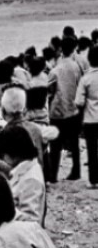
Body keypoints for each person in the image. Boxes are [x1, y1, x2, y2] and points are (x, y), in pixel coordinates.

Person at [0, 124, 46, 225]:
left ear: (9, 154)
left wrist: (3, 208)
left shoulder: (31, 180)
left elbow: (31, 220)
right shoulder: (26, 168)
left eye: (3, 156)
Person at [47, 35, 82, 182]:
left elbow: (49, 91)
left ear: (61, 49)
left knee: (55, 145)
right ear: (74, 49)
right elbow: (80, 86)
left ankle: (53, 175)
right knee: (74, 143)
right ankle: (76, 171)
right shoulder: (76, 67)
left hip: (58, 111)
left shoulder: (55, 70)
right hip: (73, 109)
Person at [75, 43, 98, 188]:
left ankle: (94, 180)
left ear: (89, 59)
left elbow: (79, 101)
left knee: (92, 150)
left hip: (91, 119)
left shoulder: (86, 79)